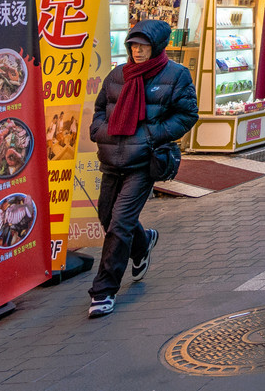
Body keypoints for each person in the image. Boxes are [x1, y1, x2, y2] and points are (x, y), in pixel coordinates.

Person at [86, 19, 197, 316]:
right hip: (111, 158)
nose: (138, 51)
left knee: (120, 222)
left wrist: (151, 135)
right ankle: (144, 241)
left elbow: (187, 114)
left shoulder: (176, 75)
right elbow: (100, 109)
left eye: (144, 46)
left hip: (143, 162)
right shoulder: (117, 75)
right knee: (108, 217)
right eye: (134, 46)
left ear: (157, 47)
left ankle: (103, 290)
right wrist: (100, 131)